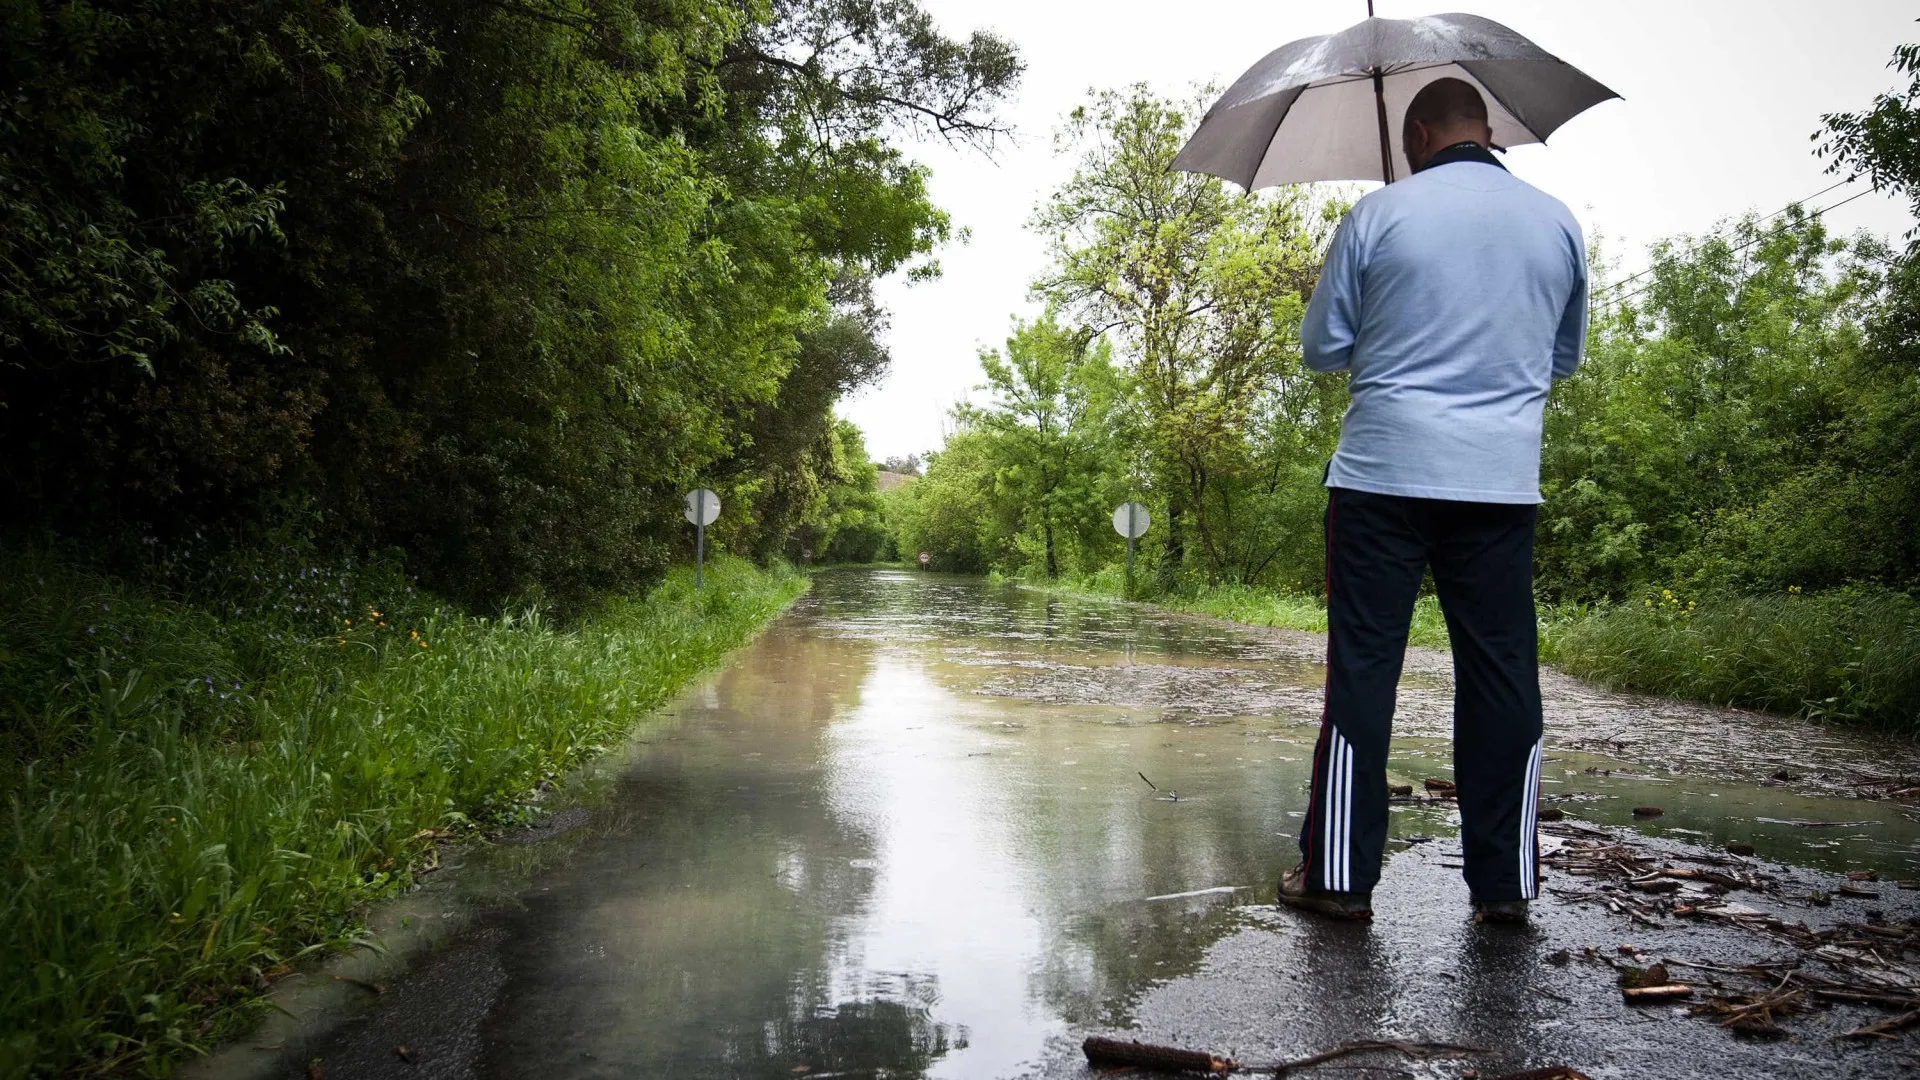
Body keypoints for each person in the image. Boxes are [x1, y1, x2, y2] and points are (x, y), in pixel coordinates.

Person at [1280, 78, 1588, 924]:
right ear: (1489, 131)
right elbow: (1562, 359)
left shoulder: (1379, 218)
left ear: (1416, 132)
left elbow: (1322, 350)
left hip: (1381, 478)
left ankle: (1338, 879)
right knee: (1500, 677)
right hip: (1497, 484)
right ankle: (1505, 885)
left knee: (1365, 671)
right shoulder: (1556, 221)